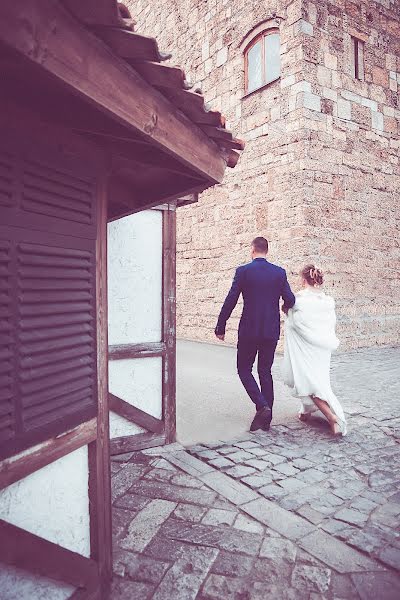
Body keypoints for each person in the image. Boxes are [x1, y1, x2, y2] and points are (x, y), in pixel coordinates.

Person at [215, 237, 295, 432]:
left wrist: (221, 325)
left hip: (249, 330)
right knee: (264, 371)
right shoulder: (279, 273)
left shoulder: (243, 271)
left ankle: (262, 406)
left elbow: (231, 299)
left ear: (253, 250)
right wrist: (284, 306)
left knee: (244, 369)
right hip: (271, 329)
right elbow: (291, 299)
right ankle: (266, 420)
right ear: (266, 251)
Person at [282, 265, 347, 436]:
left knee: (310, 381)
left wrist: (288, 315)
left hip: (306, 349)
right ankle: (305, 411)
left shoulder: (299, 300)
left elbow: (295, 323)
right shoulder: (327, 302)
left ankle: (331, 416)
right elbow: (328, 324)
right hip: (322, 349)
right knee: (318, 379)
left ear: (303, 279)